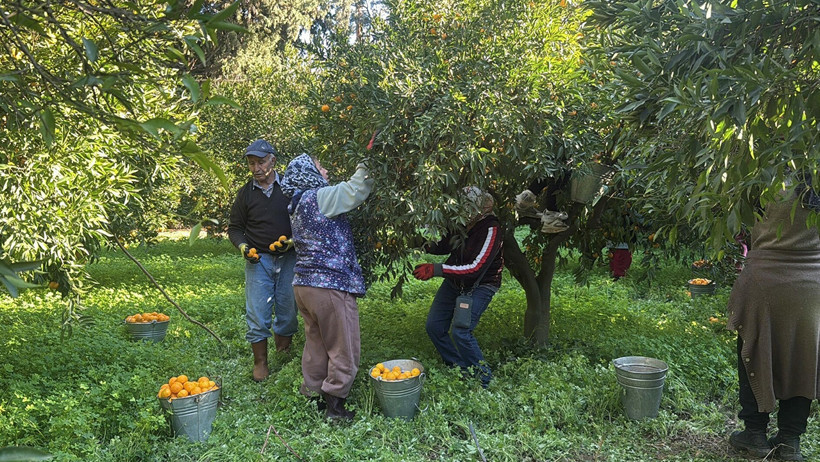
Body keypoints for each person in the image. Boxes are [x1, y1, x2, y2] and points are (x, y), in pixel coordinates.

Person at [726, 179, 820, 461]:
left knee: (754, 351)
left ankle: (754, 434)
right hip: (812, 284)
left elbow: (737, 221)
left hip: (764, 280)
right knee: (804, 360)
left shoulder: (765, 175)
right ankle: (790, 440)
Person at [280, 147, 375, 421]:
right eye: (320, 167)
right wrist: (368, 157)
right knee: (344, 345)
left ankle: (312, 394)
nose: (326, 172)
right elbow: (356, 189)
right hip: (329, 285)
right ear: (308, 173)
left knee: (317, 343)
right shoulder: (319, 198)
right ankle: (336, 405)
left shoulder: (296, 204)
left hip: (304, 286)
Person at [412, 187, 504, 388]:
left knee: (462, 331)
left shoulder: (491, 229)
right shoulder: (464, 224)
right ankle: (459, 368)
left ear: (479, 208)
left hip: (482, 284)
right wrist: (418, 243)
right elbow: (445, 244)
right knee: (434, 326)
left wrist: (437, 269)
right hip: (456, 281)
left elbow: (476, 268)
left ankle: (484, 378)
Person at [228, 139, 298, 382]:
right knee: (258, 311)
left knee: (288, 309)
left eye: (260, 162)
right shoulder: (246, 194)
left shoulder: (289, 189)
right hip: (259, 260)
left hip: (289, 258)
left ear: (273, 161)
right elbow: (235, 229)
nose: (256, 168)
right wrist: (244, 246)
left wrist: (292, 241)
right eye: (251, 164)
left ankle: (284, 350)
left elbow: (304, 220)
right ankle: (260, 362)